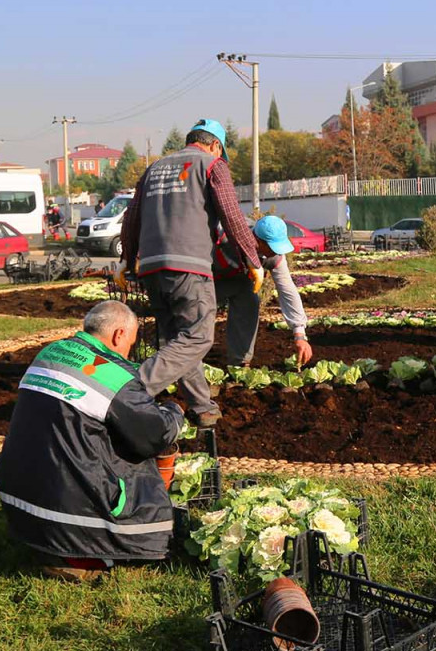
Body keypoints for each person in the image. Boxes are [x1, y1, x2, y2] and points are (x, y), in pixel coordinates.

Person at [0, 301, 185, 581]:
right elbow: (154, 435)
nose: (128, 351)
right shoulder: (110, 374)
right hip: (66, 509)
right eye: (130, 343)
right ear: (118, 335)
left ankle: (51, 539)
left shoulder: (50, 352)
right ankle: (80, 556)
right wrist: (174, 413)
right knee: (139, 467)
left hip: (18, 495)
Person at [120, 119, 262, 427]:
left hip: (152, 269)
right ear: (215, 146)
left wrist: (127, 260)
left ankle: (203, 408)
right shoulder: (212, 165)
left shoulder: (154, 169)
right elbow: (232, 215)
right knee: (198, 338)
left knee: (177, 341)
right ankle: (130, 389)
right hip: (189, 266)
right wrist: (252, 259)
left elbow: (132, 217)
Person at [214, 213, 313, 367]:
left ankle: (240, 363)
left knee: (250, 301)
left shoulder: (275, 257)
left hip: (237, 278)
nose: (277, 252)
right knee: (198, 313)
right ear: (258, 241)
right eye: (273, 247)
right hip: (207, 277)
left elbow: (287, 290)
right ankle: (186, 360)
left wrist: (299, 334)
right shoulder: (226, 234)